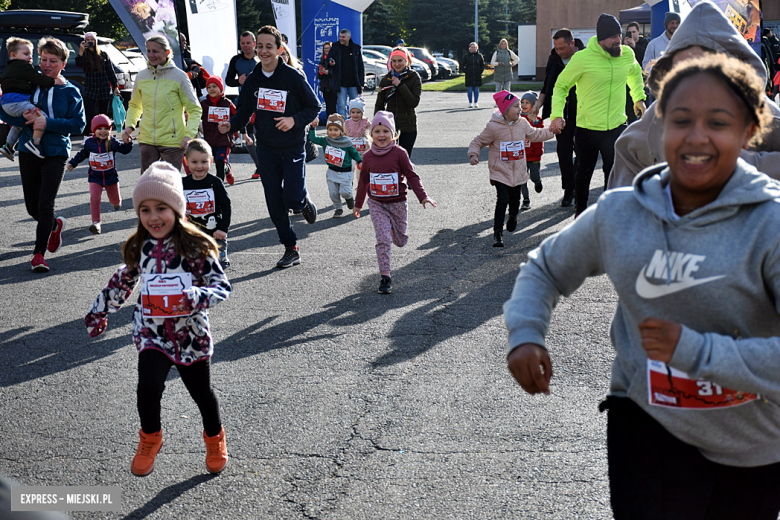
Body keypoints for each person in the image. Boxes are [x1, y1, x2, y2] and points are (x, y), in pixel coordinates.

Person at [504, 53, 780, 520]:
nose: (695, 136)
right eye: (679, 120)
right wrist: (525, 335)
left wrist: (694, 351)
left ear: (747, 132)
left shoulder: (770, 224)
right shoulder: (623, 212)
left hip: (750, 445)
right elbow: (546, 267)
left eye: (718, 121)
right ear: (658, 127)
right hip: (647, 427)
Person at [84, 161, 232, 477]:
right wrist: (101, 309)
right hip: (153, 333)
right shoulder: (141, 247)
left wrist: (195, 297)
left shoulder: (197, 247)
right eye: (145, 210)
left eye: (161, 208)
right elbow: (123, 278)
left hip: (190, 336)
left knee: (202, 395)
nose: (153, 217)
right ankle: (150, 437)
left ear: (178, 208)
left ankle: (214, 437)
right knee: (148, 388)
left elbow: (221, 287)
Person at [609, 1, 780, 189]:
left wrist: (741, 166)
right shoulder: (656, 118)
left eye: (708, 65)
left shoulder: (763, 113)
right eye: (684, 70)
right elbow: (626, 166)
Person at [218, 25, 320, 269]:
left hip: (293, 146)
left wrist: (293, 120)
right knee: (274, 201)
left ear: (279, 49)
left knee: (293, 198)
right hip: (266, 148)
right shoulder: (253, 78)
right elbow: (244, 111)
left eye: (268, 47)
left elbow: (314, 106)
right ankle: (290, 247)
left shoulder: (292, 76)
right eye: (259, 46)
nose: (263, 51)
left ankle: (303, 202)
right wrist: (230, 125)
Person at [0, 37, 85, 272]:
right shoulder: (31, 84)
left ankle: (38, 255)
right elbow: (6, 114)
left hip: (56, 152)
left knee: (45, 204)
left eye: (53, 61)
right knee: (32, 208)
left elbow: (78, 125)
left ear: (63, 64)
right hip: (28, 149)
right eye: (43, 59)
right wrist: (25, 120)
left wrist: (48, 123)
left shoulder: (71, 91)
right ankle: (54, 225)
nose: (46, 64)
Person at [550, 13, 646, 215]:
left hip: (617, 126)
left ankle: (609, 214)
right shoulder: (582, 59)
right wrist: (557, 115)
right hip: (588, 128)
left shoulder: (626, 54)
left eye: (619, 36)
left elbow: (635, 74)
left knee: (614, 173)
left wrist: (638, 98)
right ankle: (581, 210)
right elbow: (561, 85)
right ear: (601, 39)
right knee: (583, 173)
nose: (618, 40)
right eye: (613, 37)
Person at [353, 111, 436, 294]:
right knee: (383, 239)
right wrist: (358, 203)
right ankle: (385, 276)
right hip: (377, 204)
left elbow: (412, 176)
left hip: (398, 203)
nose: (381, 135)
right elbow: (363, 181)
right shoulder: (367, 157)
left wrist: (423, 196)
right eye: (377, 131)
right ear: (371, 134)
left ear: (393, 134)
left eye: (385, 131)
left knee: (400, 241)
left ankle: (393, 229)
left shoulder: (400, 153)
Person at [468, 91, 555, 248]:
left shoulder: (522, 123)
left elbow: (535, 134)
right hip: (500, 172)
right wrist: (474, 154)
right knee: (502, 200)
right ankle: (497, 233)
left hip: (519, 172)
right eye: (516, 106)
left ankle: (513, 216)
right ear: (505, 110)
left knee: (515, 202)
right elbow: (479, 141)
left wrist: (552, 131)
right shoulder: (493, 127)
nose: (520, 109)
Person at [121, 35, 202, 173]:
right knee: (148, 184)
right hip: (147, 139)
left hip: (173, 141)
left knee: (169, 185)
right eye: (148, 51)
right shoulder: (141, 76)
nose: (151, 55)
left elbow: (194, 109)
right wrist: (129, 126)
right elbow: (135, 105)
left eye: (155, 51)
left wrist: (189, 135)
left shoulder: (180, 76)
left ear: (167, 53)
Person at [533, 29, 584, 208]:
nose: (559, 51)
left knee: (583, 153)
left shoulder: (585, 56)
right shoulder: (553, 58)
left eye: (562, 48)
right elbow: (548, 84)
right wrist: (538, 106)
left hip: (584, 114)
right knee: (563, 153)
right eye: (556, 48)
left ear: (572, 44)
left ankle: (579, 188)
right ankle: (568, 190)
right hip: (560, 115)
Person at [66, 114, 133, 235]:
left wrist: (128, 143)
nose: (103, 131)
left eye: (106, 128)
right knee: (94, 198)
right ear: (94, 130)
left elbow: (124, 150)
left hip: (111, 177)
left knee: (115, 201)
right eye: (99, 128)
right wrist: (72, 163)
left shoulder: (112, 142)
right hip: (94, 177)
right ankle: (96, 223)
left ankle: (116, 202)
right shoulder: (89, 143)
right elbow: (82, 154)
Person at [0, 37, 65, 160]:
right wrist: (54, 82)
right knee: (42, 117)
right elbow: (38, 79)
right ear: (13, 55)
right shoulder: (23, 66)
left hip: (6, 103)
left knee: (22, 122)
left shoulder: (8, 67)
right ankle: (35, 143)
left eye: (31, 54)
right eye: (26, 54)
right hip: (17, 102)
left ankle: (8, 146)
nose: (30, 57)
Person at [182, 139, 232, 267]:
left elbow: (226, 206)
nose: (199, 166)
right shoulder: (183, 183)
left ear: (211, 161)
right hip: (192, 231)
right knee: (192, 263)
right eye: (194, 162)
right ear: (186, 162)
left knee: (216, 264)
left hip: (215, 230)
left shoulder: (215, 182)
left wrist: (223, 228)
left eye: (204, 162)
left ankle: (220, 257)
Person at [308, 114, 361, 218]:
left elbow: (354, 153)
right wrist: (312, 128)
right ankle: (338, 209)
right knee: (333, 193)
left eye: (336, 130)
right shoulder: (326, 140)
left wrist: (360, 161)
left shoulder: (346, 142)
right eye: (330, 129)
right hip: (331, 171)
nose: (333, 132)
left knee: (344, 192)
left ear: (341, 131)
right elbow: (313, 138)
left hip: (345, 172)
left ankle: (349, 198)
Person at [225, 30, 261, 179]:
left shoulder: (261, 57)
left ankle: (267, 164)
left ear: (254, 44)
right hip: (246, 102)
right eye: (243, 43)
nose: (245, 46)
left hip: (264, 102)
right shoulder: (236, 60)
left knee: (263, 134)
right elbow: (228, 80)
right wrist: (237, 82)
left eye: (248, 43)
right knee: (248, 135)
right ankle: (260, 166)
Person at [374, 47, 422, 158]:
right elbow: (379, 104)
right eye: (394, 61)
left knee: (404, 158)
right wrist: (377, 124)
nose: (397, 64)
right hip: (389, 126)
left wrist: (400, 85)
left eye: (400, 60)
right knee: (389, 158)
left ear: (406, 61)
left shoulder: (414, 77)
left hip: (408, 125)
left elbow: (413, 102)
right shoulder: (386, 79)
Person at [76, 31, 120, 135]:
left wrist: (115, 86)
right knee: (89, 112)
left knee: (103, 113)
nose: (90, 42)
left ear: (95, 41)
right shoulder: (84, 55)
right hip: (90, 87)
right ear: (84, 41)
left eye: (92, 40)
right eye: (87, 40)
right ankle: (88, 132)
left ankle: (103, 131)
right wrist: (81, 50)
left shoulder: (103, 54)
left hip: (104, 87)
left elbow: (110, 71)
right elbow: (79, 64)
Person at [200, 75, 240, 185]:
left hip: (224, 138)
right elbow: (196, 117)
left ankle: (220, 185)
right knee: (206, 162)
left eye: (215, 86)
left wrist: (232, 127)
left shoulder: (227, 103)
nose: (211, 89)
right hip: (209, 140)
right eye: (209, 87)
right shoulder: (203, 104)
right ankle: (226, 170)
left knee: (219, 161)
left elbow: (237, 117)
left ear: (221, 88)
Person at [519, 91, 546, 207]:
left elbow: (540, 131)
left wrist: (533, 119)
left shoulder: (537, 120)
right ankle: (526, 199)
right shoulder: (517, 119)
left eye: (527, 102)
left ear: (534, 105)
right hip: (521, 155)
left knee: (534, 176)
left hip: (534, 154)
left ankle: (537, 181)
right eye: (522, 102)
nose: (523, 105)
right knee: (521, 179)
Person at [329, 29, 364, 117]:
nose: (341, 38)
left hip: (353, 83)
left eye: (343, 37)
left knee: (356, 106)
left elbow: (360, 66)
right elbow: (328, 59)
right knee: (342, 106)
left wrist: (361, 83)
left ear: (348, 37)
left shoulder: (356, 48)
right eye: (340, 36)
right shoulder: (335, 47)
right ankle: (343, 128)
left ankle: (355, 127)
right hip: (341, 83)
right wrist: (330, 62)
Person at [624, 21, 648, 125]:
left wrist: (635, 47)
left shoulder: (645, 43)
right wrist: (625, 47)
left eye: (634, 32)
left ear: (638, 32)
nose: (632, 34)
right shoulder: (624, 45)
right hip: (627, 81)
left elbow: (645, 58)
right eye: (630, 32)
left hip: (641, 80)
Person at [461, 42, 485, 108]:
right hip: (469, 76)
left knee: (476, 89)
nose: (473, 48)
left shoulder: (479, 56)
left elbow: (482, 65)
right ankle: (470, 102)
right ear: (469, 48)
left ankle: (476, 102)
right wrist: (466, 71)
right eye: (472, 47)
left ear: (476, 48)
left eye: (474, 47)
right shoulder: (466, 56)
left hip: (477, 75)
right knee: (469, 89)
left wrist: (480, 72)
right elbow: (462, 65)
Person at [317, 41, 338, 117]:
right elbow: (318, 76)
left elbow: (337, 73)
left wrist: (328, 72)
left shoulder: (335, 58)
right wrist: (321, 72)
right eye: (325, 48)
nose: (326, 50)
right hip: (325, 86)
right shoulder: (322, 59)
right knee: (328, 106)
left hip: (333, 86)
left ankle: (335, 122)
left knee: (333, 106)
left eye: (328, 48)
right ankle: (329, 122)